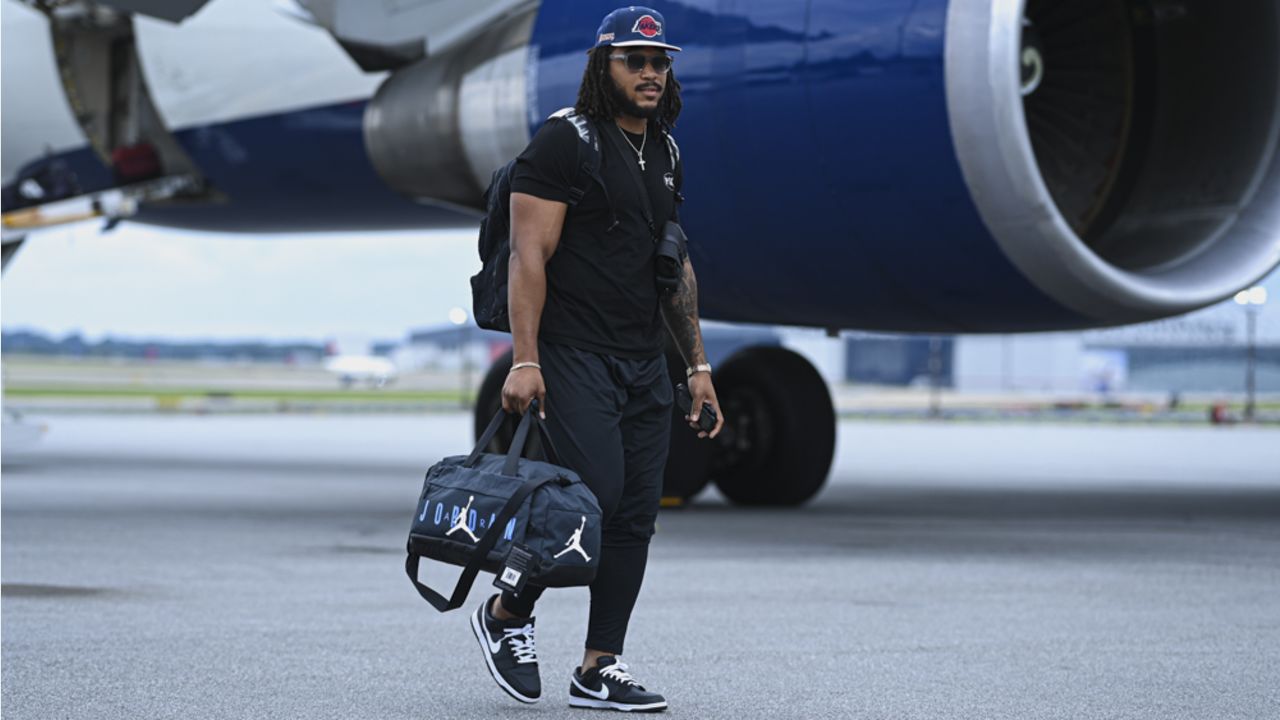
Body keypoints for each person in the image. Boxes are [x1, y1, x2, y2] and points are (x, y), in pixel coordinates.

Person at [469, 6, 723, 713]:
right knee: (597, 497)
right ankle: (505, 614)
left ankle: (598, 666)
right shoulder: (564, 141)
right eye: (633, 61)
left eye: (659, 61)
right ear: (600, 65)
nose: (649, 72)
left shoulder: (666, 152)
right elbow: (529, 254)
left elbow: (675, 265)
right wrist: (524, 359)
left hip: (644, 361)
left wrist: (695, 366)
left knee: (638, 513)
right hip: (573, 352)